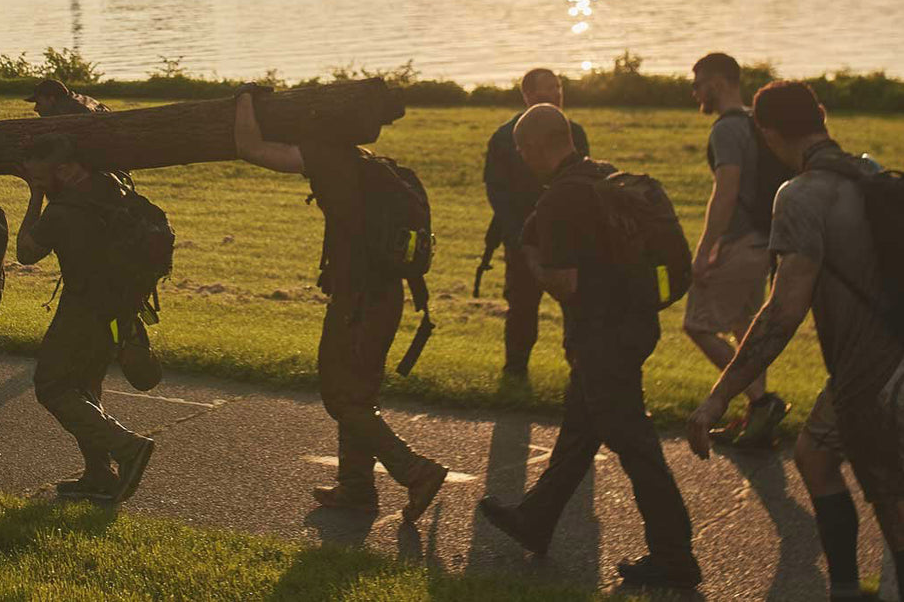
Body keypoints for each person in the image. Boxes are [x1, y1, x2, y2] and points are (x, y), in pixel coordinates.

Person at [685, 80, 904, 602]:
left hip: (874, 370)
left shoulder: (801, 195)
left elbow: (782, 312)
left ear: (765, 131)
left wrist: (720, 395)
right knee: (815, 456)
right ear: (822, 116)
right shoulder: (868, 173)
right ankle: (846, 590)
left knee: (898, 509)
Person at [476, 104, 700, 589]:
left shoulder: (560, 199)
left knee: (633, 443)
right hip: (635, 326)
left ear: (530, 149)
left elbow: (565, 285)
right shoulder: (601, 175)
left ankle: (675, 555)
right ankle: (535, 520)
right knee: (579, 432)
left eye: (521, 152)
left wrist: (530, 254)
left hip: (602, 338)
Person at [232, 86, 449, 523]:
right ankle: (356, 490)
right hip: (385, 297)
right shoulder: (369, 163)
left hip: (358, 302)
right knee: (358, 394)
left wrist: (243, 100)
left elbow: (250, 147)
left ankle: (414, 470)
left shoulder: (327, 158)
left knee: (340, 396)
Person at [15, 134, 156, 503]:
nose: (40, 186)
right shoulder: (113, 188)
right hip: (120, 311)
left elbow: (26, 252)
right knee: (85, 389)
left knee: (52, 385)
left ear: (64, 169)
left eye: (42, 179)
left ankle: (127, 447)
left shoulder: (64, 211)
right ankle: (98, 473)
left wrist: (34, 197)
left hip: (84, 311)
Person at [686, 53, 789, 447]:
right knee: (745, 330)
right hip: (766, 241)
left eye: (697, 84)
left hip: (740, 241)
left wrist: (705, 249)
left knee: (697, 324)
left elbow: (725, 192)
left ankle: (762, 402)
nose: (694, 92)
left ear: (716, 82)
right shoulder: (757, 122)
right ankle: (757, 422)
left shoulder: (727, 129)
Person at [483, 68, 589, 377]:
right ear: (527, 95)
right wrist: (521, 236)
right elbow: (497, 192)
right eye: (546, 90)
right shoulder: (504, 138)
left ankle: (580, 371)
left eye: (558, 88)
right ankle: (515, 371)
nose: (556, 95)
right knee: (521, 305)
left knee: (575, 305)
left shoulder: (575, 132)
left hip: (567, 237)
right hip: (522, 237)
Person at [27, 78, 109, 117]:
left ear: (52, 99)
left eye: (38, 103)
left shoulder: (71, 113)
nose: (35, 109)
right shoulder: (73, 99)